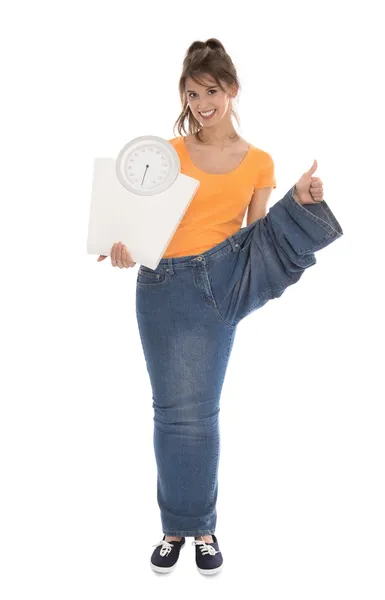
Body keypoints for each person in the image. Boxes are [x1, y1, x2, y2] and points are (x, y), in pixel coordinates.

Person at [97, 38, 343, 575]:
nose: (202, 102)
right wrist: (120, 248)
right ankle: (172, 529)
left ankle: (202, 528)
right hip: (161, 286)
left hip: (221, 283)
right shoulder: (166, 153)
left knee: (201, 416)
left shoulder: (259, 161)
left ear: (231, 90)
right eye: (192, 93)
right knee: (171, 414)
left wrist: (300, 200)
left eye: (211, 90)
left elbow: (256, 240)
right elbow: (132, 226)